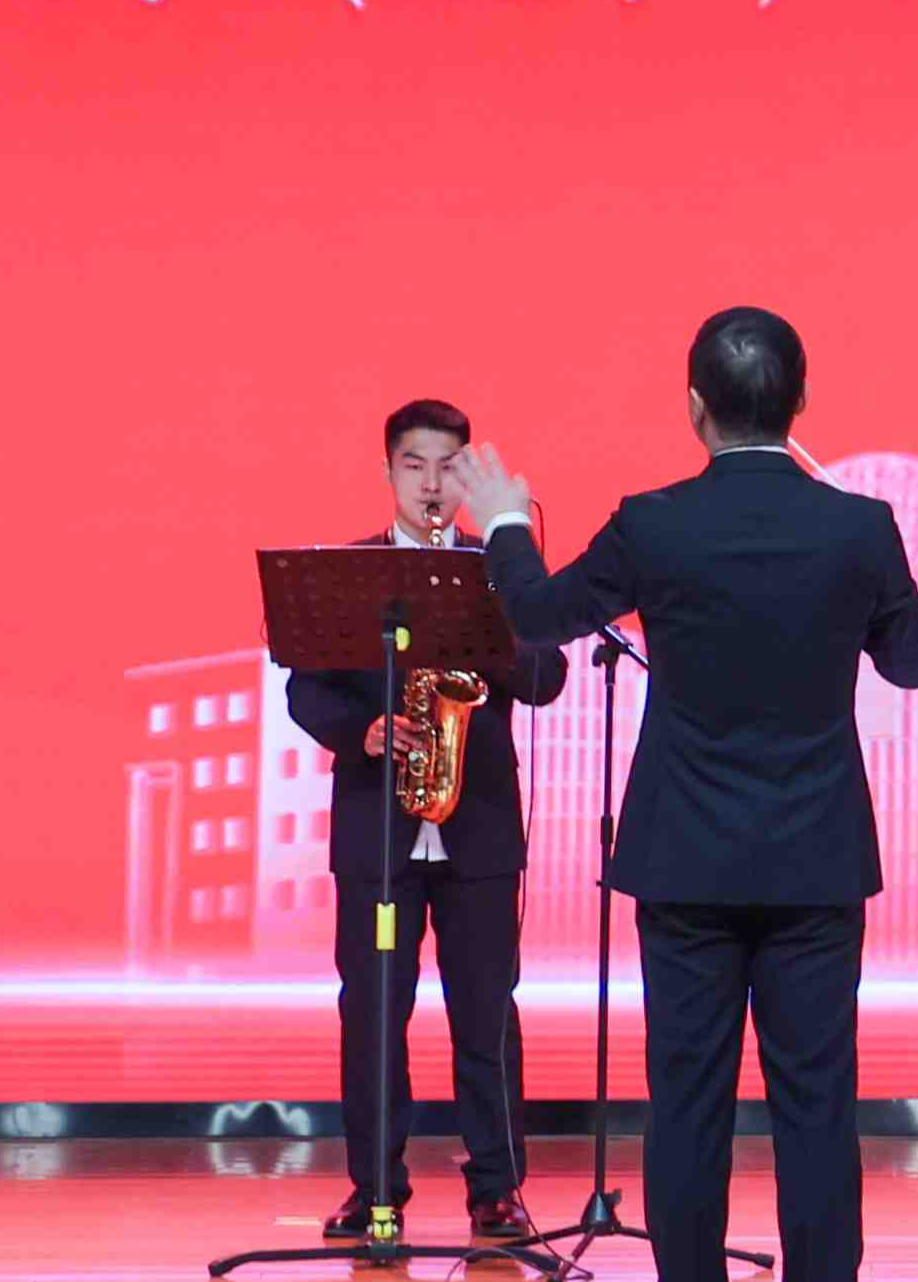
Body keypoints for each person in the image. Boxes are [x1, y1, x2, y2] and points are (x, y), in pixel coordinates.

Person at [460, 307, 918, 1282]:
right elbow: (913, 661)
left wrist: (505, 520)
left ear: (694, 407)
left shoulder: (655, 521)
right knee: (816, 1104)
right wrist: (865, 573)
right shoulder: (858, 525)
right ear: (801, 399)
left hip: (685, 861)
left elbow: (538, 613)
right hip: (815, 863)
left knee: (685, 1105)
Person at [282, 398, 570, 1246]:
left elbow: (546, 680)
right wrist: (363, 731)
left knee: (486, 1014)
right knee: (372, 1014)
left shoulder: (497, 567)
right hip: (378, 831)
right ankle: (374, 1187)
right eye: (415, 465)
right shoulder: (350, 573)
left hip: (477, 828)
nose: (432, 484)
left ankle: (497, 1190)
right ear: (388, 473)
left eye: (449, 467)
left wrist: (493, 614)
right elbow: (306, 691)